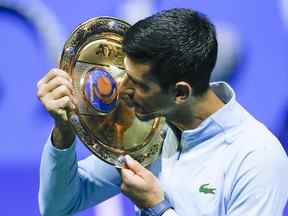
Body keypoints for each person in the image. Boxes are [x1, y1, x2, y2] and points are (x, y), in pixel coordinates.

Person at [37, 8, 288, 216]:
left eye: (139, 84)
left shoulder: (258, 158)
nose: (122, 90)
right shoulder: (149, 132)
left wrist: (158, 208)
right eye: (125, 75)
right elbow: (59, 206)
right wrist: (64, 133)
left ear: (180, 93)